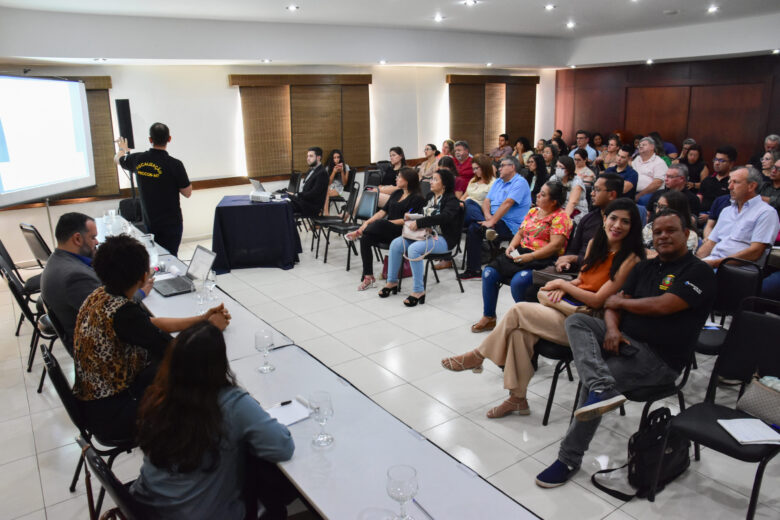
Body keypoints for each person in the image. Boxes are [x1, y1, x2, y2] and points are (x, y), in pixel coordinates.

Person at [535, 209, 716, 488]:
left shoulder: (698, 272)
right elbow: (610, 304)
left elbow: (663, 305)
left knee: (591, 382)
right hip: (624, 340)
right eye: (658, 232)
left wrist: (620, 304)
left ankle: (568, 458)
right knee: (579, 322)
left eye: (671, 231)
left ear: (687, 235)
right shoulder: (645, 267)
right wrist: (612, 329)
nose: (663, 236)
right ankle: (601, 385)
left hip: (660, 360)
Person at [442, 198, 643, 418]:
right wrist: (566, 288)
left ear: (633, 227)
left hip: (589, 323)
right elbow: (583, 281)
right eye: (613, 218)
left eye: (625, 222)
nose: (617, 225)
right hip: (570, 307)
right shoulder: (596, 244)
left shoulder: (630, 259)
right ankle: (517, 399)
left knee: (519, 311)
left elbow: (598, 300)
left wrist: (563, 284)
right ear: (605, 219)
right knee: (519, 333)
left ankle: (478, 355)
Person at [73, 235, 230, 441]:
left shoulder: (100, 295)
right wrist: (212, 328)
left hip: (95, 402)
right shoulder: (124, 314)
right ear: (142, 277)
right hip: (114, 412)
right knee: (196, 386)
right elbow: (180, 353)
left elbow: (151, 325)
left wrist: (201, 319)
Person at [132, 322, 295, 519]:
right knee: (267, 474)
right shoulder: (232, 403)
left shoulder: (158, 396)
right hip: (202, 512)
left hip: (146, 506)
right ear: (219, 363)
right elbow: (282, 447)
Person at [471, 181, 572, 333]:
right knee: (489, 273)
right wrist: (512, 246)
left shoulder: (561, 217)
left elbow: (555, 246)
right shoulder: (533, 211)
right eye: (539, 192)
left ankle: (529, 322)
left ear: (553, 202)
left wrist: (531, 257)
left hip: (543, 258)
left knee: (519, 281)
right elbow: (520, 233)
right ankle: (489, 317)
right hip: (523, 252)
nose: (537, 195)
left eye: (543, 195)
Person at [40, 213, 152, 350]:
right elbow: (115, 311)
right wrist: (141, 291)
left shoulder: (59, 259)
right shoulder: (74, 277)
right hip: (102, 349)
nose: (97, 242)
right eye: (93, 237)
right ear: (77, 239)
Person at [378, 169, 462, 307]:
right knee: (396, 244)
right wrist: (411, 217)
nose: (431, 181)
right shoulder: (429, 196)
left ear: (445, 184)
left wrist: (421, 223)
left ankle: (418, 291)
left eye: (435, 179)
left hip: (443, 239)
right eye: (431, 179)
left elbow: (445, 217)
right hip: (424, 234)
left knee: (414, 249)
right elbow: (422, 214)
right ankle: (392, 282)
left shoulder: (451, 200)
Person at [116, 123, 191, 256]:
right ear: (169, 139)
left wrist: (123, 149)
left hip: (150, 221)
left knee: (154, 256)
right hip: (171, 223)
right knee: (170, 257)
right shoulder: (175, 164)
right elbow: (187, 193)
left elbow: (117, 159)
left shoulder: (138, 159)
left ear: (150, 139)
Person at [349, 167, 424, 291]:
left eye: (399, 176)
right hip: (387, 229)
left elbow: (408, 220)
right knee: (366, 239)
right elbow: (382, 212)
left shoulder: (417, 198)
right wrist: (366, 223)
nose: (396, 178)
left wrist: (386, 223)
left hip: (402, 232)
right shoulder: (397, 193)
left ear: (408, 180)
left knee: (380, 223)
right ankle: (368, 276)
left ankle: (358, 232)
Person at [461, 156, 532, 280]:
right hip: (493, 219)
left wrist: (492, 221)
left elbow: (508, 203)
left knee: (473, 227)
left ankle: (474, 268)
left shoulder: (520, 182)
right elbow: (486, 202)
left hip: (510, 225)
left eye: (502, 165)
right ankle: (474, 270)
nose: (499, 169)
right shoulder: (499, 181)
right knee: (469, 203)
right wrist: (489, 217)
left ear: (512, 167)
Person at [696, 166, 780, 268]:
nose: (729, 187)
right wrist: (697, 262)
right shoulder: (726, 211)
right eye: (729, 182)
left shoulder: (766, 213)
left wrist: (715, 264)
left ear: (751, 186)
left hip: (736, 271)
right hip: (712, 264)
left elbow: (755, 252)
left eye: (735, 182)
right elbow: (711, 243)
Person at [554, 174, 624, 274]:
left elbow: (608, 260)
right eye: (592, 189)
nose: (592, 193)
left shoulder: (619, 226)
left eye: (597, 190)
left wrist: (575, 259)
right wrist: (566, 262)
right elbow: (573, 250)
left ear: (612, 194)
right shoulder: (588, 218)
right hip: (576, 271)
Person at [643, 190, 699, 258]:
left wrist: (648, 254)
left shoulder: (690, 235)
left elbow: (678, 258)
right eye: (657, 206)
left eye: (663, 207)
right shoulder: (649, 226)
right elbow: (637, 249)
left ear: (676, 209)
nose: (658, 211)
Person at [288, 146, 329, 217]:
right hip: (304, 202)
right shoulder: (311, 170)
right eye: (307, 156)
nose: (308, 159)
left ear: (318, 158)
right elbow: (305, 189)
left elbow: (313, 194)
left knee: (285, 206)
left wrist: (296, 195)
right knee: (284, 201)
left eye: (311, 156)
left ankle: (287, 227)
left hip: (311, 207)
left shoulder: (322, 173)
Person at [461, 154, 497, 227]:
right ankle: (486, 226)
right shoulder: (473, 180)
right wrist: (460, 204)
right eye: (473, 169)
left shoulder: (493, 182)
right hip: (465, 209)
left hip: (480, 211)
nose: (474, 171)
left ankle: (484, 225)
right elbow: (464, 197)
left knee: (473, 227)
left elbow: (492, 203)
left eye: (476, 168)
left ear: (484, 167)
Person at [631, 136, 667, 206]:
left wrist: (640, 195)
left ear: (652, 147)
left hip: (651, 193)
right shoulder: (637, 159)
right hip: (633, 191)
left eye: (644, 145)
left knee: (642, 200)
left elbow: (657, 183)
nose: (640, 146)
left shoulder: (659, 162)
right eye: (639, 145)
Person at [699, 145, 735, 212]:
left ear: (731, 164)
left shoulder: (733, 182)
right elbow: (699, 198)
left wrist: (710, 216)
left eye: (721, 160)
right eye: (715, 159)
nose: (717, 163)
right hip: (701, 215)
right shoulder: (707, 180)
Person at [553, 156, 588, 224]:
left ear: (569, 169)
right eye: (557, 166)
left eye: (561, 167)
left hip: (575, 212)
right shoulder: (554, 178)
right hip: (559, 209)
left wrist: (562, 221)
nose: (558, 169)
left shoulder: (577, 182)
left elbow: (572, 203)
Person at [322, 149, 350, 216]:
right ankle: (320, 215)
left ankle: (326, 215)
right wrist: (334, 172)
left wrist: (342, 171)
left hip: (338, 189)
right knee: (321, 193)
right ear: (332, 159)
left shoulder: (346, 166)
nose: (337, 159)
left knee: (324, 193)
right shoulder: (328, 168)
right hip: (329, 187)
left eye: (338, 157)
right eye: (334, 158)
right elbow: (328, 183)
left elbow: (344, 183)